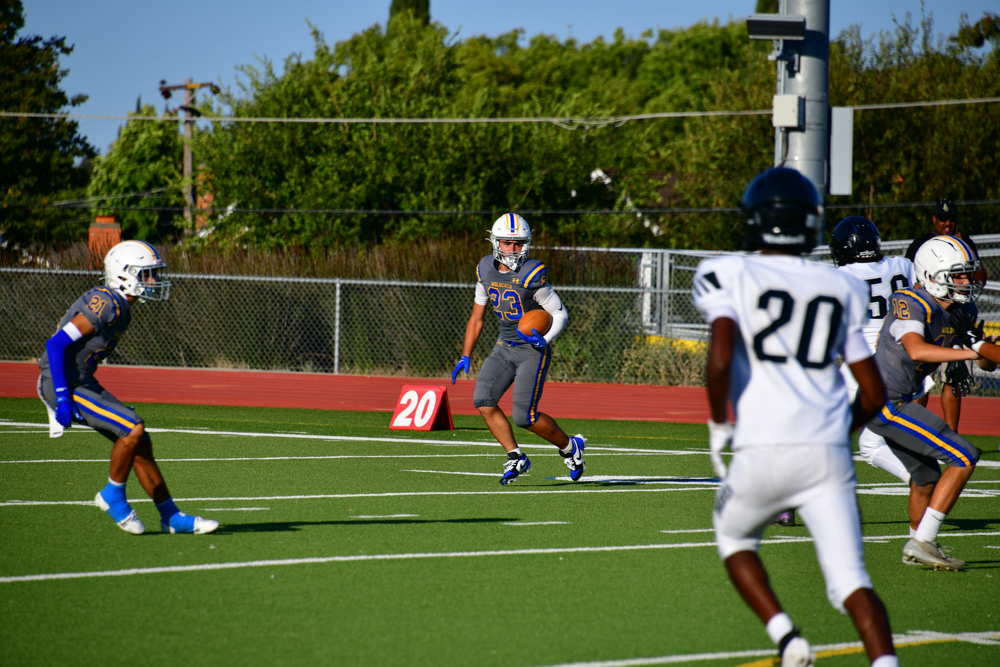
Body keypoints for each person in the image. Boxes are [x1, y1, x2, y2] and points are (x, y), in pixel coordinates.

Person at [693, 167, 897, 667]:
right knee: (851, 582)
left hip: (762, 445)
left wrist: (719, 421)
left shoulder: (728, 273)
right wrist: (839, 432)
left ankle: (787, 638)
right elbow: (873, 391)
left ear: (754, 220)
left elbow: (720, 359)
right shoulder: (839, 286)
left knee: (736, 538)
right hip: (827, 452)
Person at [37, 240, 219, 536]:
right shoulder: (107, 302)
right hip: (64, 383)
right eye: (147, 274)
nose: (154, 281)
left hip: (82, 381)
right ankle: (113, 496)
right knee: (132, 429)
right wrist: (61, 395)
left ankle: (171, 517)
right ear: (124, 275)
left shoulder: (121, 307)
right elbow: (56, 345)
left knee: (140, 442)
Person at [864, 235, 995, 571]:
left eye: (967, 274)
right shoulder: (911, 300)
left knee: (925, 478)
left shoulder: (961, 311)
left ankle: (919, 547)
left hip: (895, 400)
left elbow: (985, 362)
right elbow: (916, 349)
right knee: (964, 456)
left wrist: (984, 348)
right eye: (958, 275)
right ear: (932, 275)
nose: (966, 281)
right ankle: (922, 541)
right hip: (885, 401)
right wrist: (971, 353)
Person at [451, 213, 586, 485]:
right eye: (507, 243)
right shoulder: (485, 269)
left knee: (525, 417)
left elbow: (560, 313)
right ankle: (516, 456)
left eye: (518, 243)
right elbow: (477, 317)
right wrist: (466, 354)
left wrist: (545, 340)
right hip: (503, 347)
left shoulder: (531, 274)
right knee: (483, 400)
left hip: (530, 351)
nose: (513, 249)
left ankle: (570, 447)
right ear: (495, 242)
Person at [830, 216, 917, 484]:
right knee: (869, 439)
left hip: (868, 364)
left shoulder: (840, 276)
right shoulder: (904, 266)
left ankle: (922, 480)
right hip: (909, 362)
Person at [903, 199, 987, 432]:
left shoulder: (965, 243)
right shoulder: (921, 245)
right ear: (934, 220)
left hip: (957, 314)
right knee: (920, 378)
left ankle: (951, 434)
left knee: (955, 376)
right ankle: (913, 430)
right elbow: (912, 280)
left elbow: (979, 277)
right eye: (942, 219)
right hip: (929, 315)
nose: (947, 223)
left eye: (951, 219)